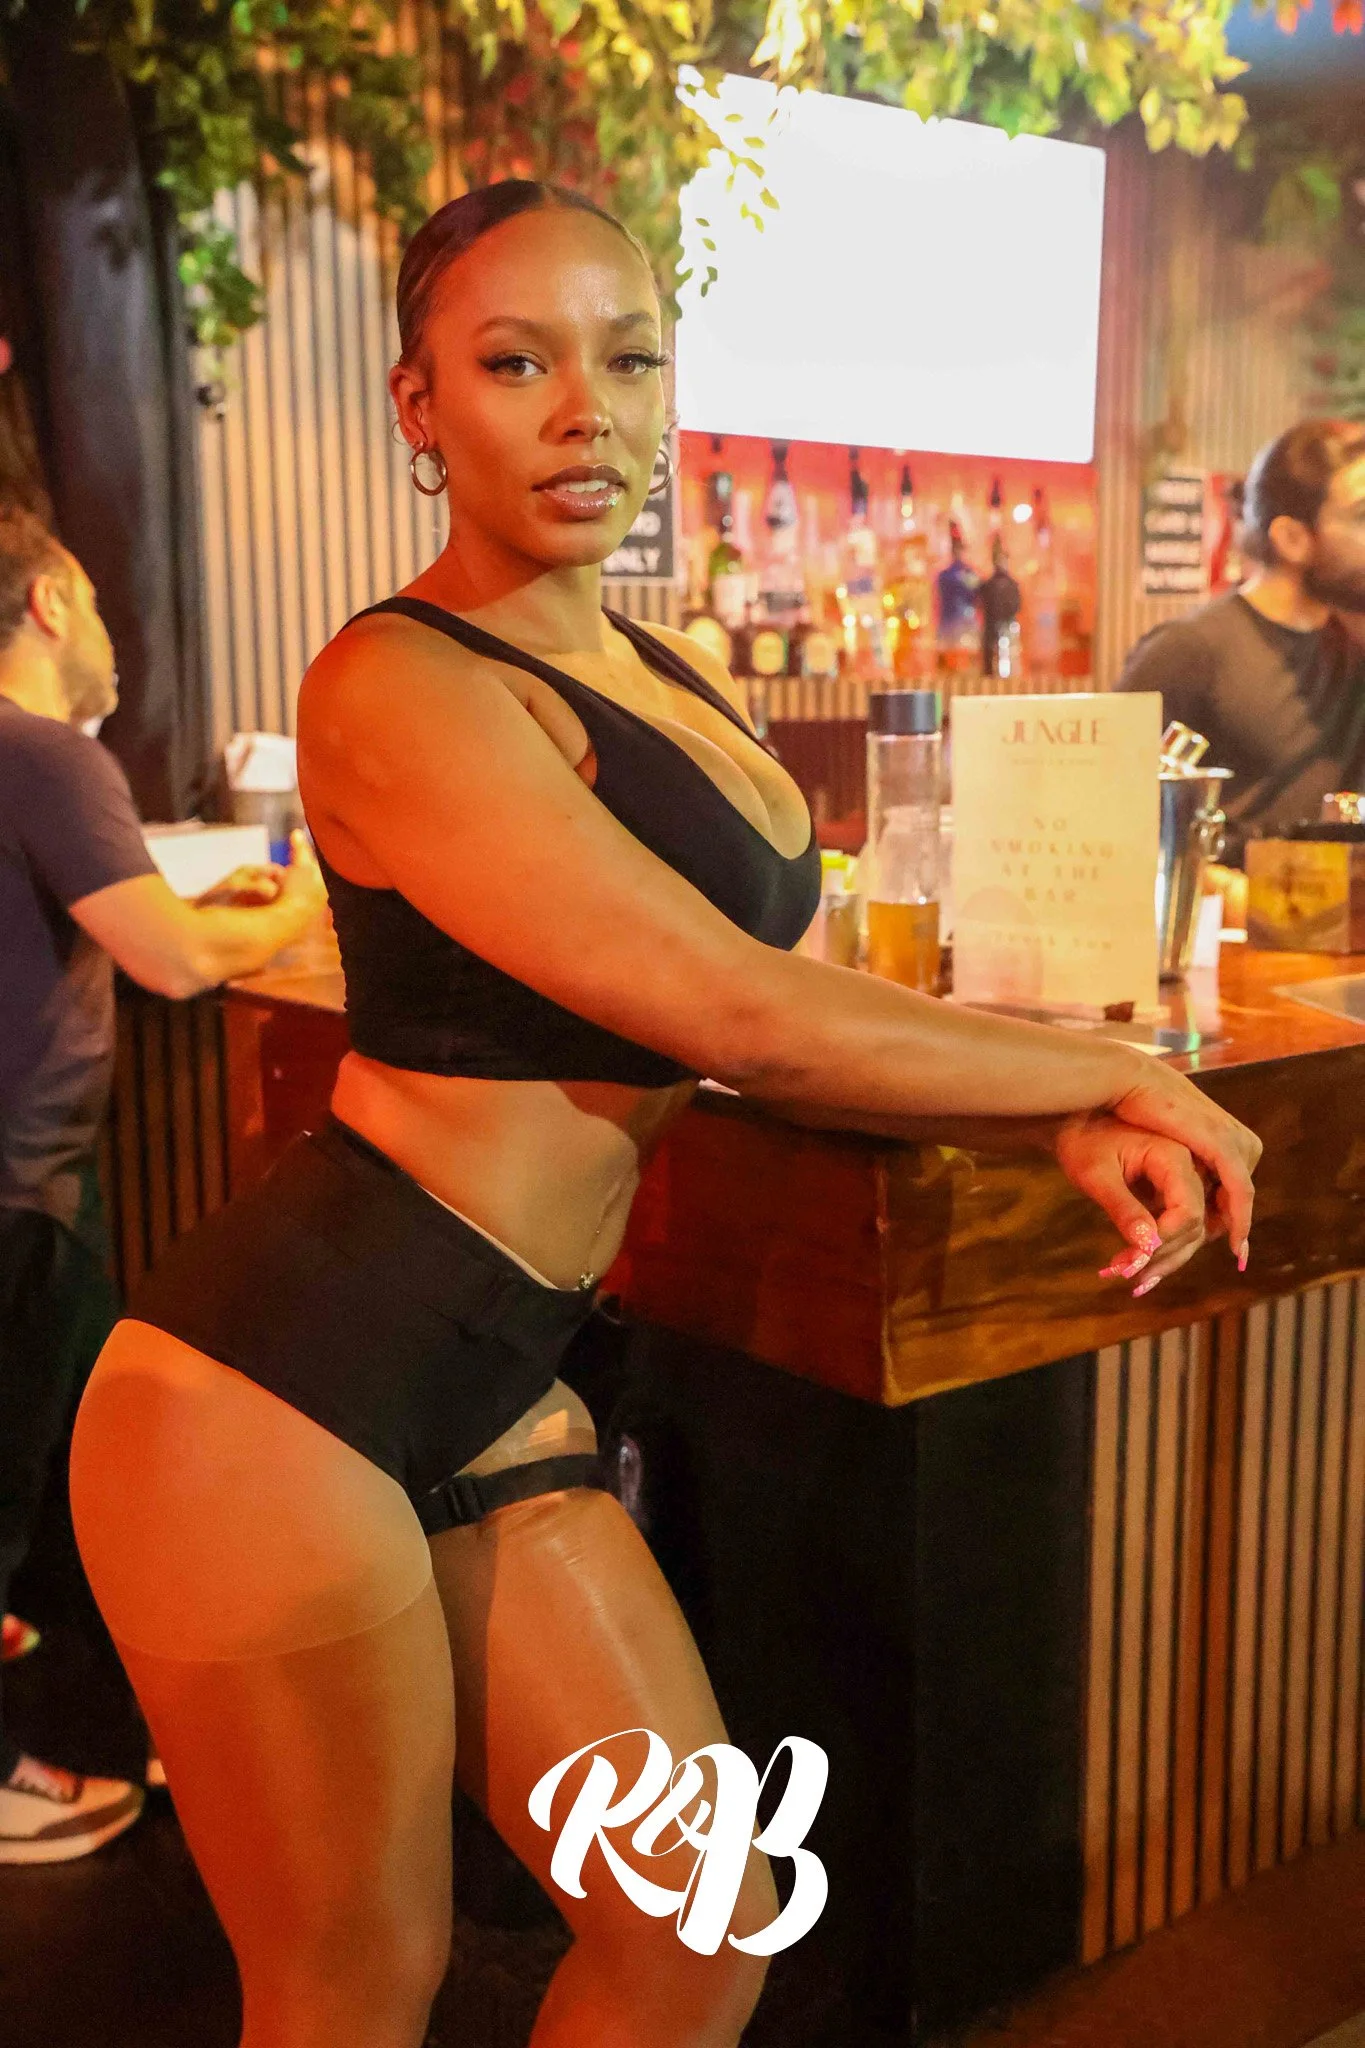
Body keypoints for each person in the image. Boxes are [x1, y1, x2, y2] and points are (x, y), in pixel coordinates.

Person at [67, 183, 1260, 2048]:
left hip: (497, 1374)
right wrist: (1101, 1075)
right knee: (350, 1987)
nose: (584, 411)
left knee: (701, 1932)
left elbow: (804, 972)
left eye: (625, 360)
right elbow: (733, 1015)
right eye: (513, 363)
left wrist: (1044, 1108)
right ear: (417, 404)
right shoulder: (395, 678)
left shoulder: (660, 667)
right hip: (272, 1402)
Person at [0, 507, 327, 1863]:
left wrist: (209, 911)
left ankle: (116, 1726)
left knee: (86, 1472)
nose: (109, 632)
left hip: (33, 1187)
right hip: (17, 1191)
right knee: (45, 1478)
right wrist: (301, 904)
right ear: (47, 602)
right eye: (91, 596)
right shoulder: (43, 752)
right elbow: (175, 960)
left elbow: (135, 924)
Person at [1117, 419, 1365, 862]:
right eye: (1362, 516)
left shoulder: (1351, 648)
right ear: (1291, 538)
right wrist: (1216, 884)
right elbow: (1108, 810)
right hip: (1233, 904)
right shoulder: (1190, 651)